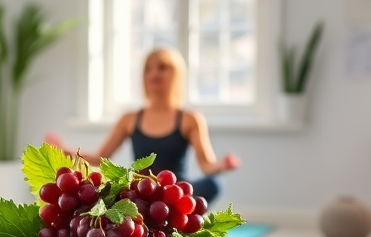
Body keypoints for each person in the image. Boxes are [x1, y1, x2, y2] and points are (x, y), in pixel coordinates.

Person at [45, 47, 240, 203]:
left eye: (162, 67)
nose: (154, 73)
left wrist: (223, 164)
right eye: (149, 68)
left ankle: (174, 214)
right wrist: (64, 150)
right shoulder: (129, 118)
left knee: (214, 184)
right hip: (141, 192)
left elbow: (207, 166)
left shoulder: (190, 119)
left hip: (176, 192)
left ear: (176, 74)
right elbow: (100, 158)